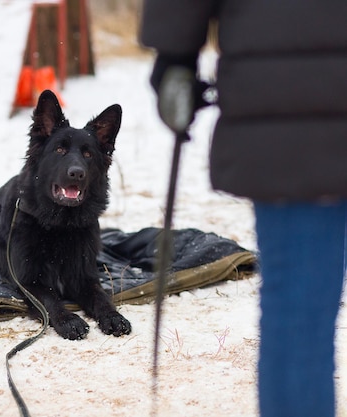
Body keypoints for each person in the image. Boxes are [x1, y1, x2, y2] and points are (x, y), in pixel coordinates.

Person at [140, 2, 347, 417]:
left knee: (299, 315)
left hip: (292, 82)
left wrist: (176, 50)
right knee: (300, 314)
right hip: (307, 90)